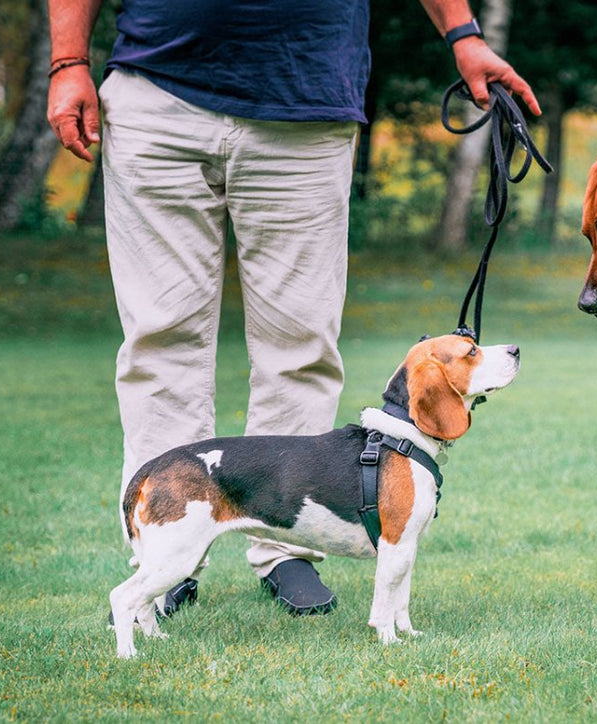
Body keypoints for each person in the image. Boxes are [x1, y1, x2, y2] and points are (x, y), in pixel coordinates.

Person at [47, 0, 540, 617]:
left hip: (305, 100)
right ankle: (166, 560)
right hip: (157, 90)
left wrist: (464, 35)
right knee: (160, 341)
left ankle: (286, 551)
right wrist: (67, 60)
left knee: (301, 345)